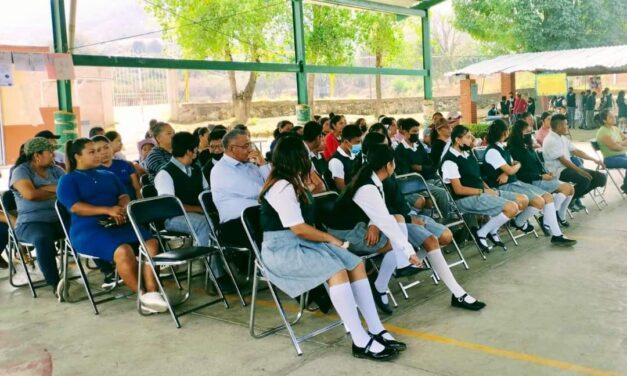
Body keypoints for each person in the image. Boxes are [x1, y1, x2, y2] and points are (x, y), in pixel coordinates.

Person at [258, 136, 402, 361]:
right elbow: (299, 229)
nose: (309, 158)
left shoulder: (292, 180)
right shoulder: (282, 186)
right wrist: (331, 239)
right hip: (283, 250)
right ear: (298, 157)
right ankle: (359, 339)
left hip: (303, 243)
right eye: (305, 154)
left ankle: (375, 328)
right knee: (337, 272)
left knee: (355, 263)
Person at [363, 132, 486, 311]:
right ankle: (458, 293)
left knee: (445, 236)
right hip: (394, 220)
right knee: (432, 240)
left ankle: (400, 266)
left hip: (404, 216)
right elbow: (373, 207)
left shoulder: (386, 172)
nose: (389, 148)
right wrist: (376, 223)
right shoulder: (367, 177)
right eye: (384, 146)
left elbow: (396, 201)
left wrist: (410, 215)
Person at [57, 138, 168, 313]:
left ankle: (152, 292)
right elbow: (75, 207)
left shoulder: (108, 175)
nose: (98, 154)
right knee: (123, 250)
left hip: (118, 223)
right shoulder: (68, 180)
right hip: (88, 229)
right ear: (77, 156)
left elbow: (123, 195)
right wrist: (107, 210)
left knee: (151, 242)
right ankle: (142, 294)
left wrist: (123, 207)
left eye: (98, 150)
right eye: (92, 152)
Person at [325, 144, 424, 314]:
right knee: (395, 242)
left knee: (398, 219)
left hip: (357, 224)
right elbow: (385, 220)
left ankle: (397, 269)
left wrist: (373, 224)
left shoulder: (373, 180)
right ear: (388, 165)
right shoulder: (368, 186)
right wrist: (409, 251)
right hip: (344, 233)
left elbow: (378, 212)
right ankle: (383, 283)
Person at [483, 120, 576, 246]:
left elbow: (513, 165)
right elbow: (512, 168)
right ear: (505, 132)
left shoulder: (502, 148)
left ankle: (556, 234)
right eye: (526, 132)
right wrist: (512, 169)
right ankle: (547, 230)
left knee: (547, 198)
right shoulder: (493, 151)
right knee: (541, 200)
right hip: (506, 186)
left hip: (514, 182)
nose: (529, 134)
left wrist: (511, 169)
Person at [155, 132, 227, 282]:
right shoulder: (165, 174)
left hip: (198, 214)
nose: (198, 151)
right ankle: (216, 276)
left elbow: (206, 194)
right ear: (189, 151)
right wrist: (200, 210)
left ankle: (235, 263)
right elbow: (170, 205)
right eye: (196, 148)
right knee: (203, 224)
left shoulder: (196, 170)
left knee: (225, 217)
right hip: (173, 218)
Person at [440, 125, 524, 253]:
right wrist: (484, 192)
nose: (472, 139)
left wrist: (490, 190)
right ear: (458, 140)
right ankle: (482, 233)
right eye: (468, 137)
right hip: (465, 199)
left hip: (481, 193)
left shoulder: (468, 154)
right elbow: (459, 190)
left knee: (521, 200)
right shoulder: (450, 161)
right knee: (511, 207)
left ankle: (490, 230)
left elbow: (478, 178)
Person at [10, 137, 66, 297]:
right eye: (50, 152)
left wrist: (42, 188)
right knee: (42, 238)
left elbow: (68, 189)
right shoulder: (21, 171)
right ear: (37, 155)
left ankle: (109, 271)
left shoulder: (56, 170)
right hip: (31, 222)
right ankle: (56, 284)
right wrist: (55, 189)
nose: (53, 155)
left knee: (84, 226)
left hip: (59, 218)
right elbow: (30, 194)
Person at [508, 120, 575, 227]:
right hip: (532, 181)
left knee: (571, 188)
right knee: (567, 188)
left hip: (541, 178)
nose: (529, 133)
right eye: (526, 131)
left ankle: (559, 215)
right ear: (519, 132)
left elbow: (538, 164)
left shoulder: (528, 146)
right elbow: (521, 174)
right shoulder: (514, 149)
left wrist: (546, 173)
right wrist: (540, 176)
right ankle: (549, 216)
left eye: (530, 130)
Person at [211, 128, 270, 248]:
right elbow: (259, 191)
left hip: (257, 216)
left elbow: (272, 183)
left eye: (250, 144)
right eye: (246, 146)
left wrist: (263, 163)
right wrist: (274, 191)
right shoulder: (222, 170)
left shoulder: (250, 165)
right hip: (237, 224)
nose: (251, 149)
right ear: (232, 148)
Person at [542, 114, 607, 211]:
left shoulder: (562, 137)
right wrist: (581, 171)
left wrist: (594, 160)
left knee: (601, 178)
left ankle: (571, 199)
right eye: (566, 124)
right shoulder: (550, 140)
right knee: (585, 179)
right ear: (559, 126)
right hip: (558, 172)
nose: (567, 127)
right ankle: (566, 201)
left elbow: (577, 151)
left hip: (567, 168)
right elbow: (564, 161)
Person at [394, 118, 452, 220]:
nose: (416, 134)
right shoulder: (400, 150)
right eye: (414, 132)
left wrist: (420, 167)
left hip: (428, 178)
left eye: (417, 131)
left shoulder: (418, 145)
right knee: (440, 192)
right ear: (405, 132)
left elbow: (430, 164)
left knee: (449, 186)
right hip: (416, 183)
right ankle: (446, 220)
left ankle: (449, 214)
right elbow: (406, 171)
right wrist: (424, 168)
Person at [93, 136, 141, 200]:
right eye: (98, 150)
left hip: (132, 205)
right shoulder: (93, 172)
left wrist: (138, 204)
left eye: (106, 147)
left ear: (111, 147)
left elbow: (137, 188)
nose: (104, 152)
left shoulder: (125, 164)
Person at [595, 109, 627, 193]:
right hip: (610, 159)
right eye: (610, 117)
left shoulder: (615, 128)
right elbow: (614, 147)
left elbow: (625, 139)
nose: (614, 118)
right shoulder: (602, 131)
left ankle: (626, 186)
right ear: (604, 120)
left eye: (613, 116)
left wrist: (619, 143)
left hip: (622, 156)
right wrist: (623, 145)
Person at [327, 124, 362, 191]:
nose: (359, 145)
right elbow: (342, 189)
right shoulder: (336, 161)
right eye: (357, 142)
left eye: (360, 141)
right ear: (346, 142)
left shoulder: (354, 155)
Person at [302, 121, 328, 193]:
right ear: (318, 137)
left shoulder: (306, 152)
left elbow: (319, 184)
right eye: (322, 136)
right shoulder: (301, 153)